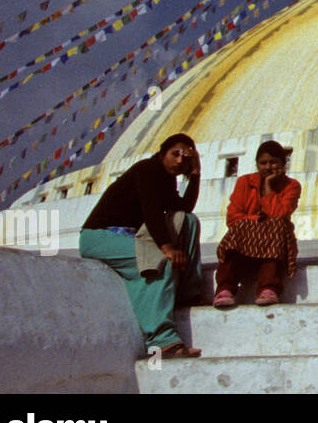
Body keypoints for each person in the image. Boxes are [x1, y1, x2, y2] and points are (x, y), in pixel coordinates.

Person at [79, 133, 204, 358]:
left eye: (186, 158)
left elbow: (184, 208)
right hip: (100, 237)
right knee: (158, 262)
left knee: (190, 221)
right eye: (175, 154)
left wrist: (195, 175)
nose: (179, 161)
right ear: (162, 153)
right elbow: (151, 211)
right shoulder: (147, 170)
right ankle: (161, 341)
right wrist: (166, 248)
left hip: (129, 238)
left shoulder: (167, 179)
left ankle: (188, 292)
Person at [213, 140, 302, 308]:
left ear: (283, 164)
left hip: (274, 243)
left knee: (276, 225)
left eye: (273, 162)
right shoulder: (244, 182)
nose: (268, 167)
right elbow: (233, 217)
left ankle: (268, 288)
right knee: (240, 227)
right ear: (257, 164)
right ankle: (225, 289)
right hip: (245, 242)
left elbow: (280, 214)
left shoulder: (292, 186)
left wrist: (268, 186)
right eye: (263, 163)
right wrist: (257, 222)